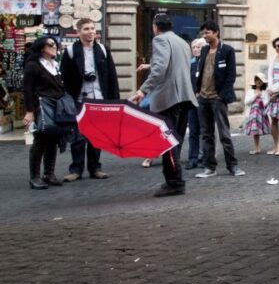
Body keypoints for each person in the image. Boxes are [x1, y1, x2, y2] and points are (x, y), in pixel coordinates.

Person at [131, 14, 197, 197]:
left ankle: (175, 183)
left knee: (167, 143)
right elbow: (172, 65)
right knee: (175, 141)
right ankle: (176, 181)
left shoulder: (160, 39)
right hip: (184, 97)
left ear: (155, 27)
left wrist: (143, 90)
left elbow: (161, 68)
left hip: (169, 98)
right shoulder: (182, 42)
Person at [60, 18, 119, 182]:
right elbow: (64, 76)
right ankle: (76, 169)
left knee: (97, 136)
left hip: (99, 99)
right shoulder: (71, 51)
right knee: (78, 137)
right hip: (79, 99)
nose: (91, 32)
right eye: (86, 29)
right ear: (78, 32)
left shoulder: (102, 49)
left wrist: (114, 101)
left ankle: (95, 168)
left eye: (93, 28)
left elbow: (112, 76)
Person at [193, 20, 244, 178]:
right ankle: (209, 167)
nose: (204, 36)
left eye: (207, 32)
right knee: (206, 134)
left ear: (216, 32)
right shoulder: (204, 51)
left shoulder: (227, 50)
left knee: (224, 134)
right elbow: (200, 72)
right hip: (203, 98)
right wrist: (197, 91)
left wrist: (221, 95)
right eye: (203, 33)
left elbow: (231, 75)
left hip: (217, 98)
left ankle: (233, 166)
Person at [23, 37, 65, 189]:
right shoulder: (33, 65)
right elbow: (27, 90)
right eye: (51, 44)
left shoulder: (54, 64)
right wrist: (29, 111)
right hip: (41, 106)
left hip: (55, 106)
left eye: (55, 44)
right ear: (42, 48)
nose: (55, 46)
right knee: (40, 141)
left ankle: (49, 173)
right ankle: (34, 177)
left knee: (52, 140)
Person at [185, 38, 207, 170]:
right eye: (194, 47)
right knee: (193, 131)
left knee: (205, 132)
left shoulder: (207, 63)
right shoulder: (190, 65)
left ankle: (205, 157)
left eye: (199, 47)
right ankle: (192, 158)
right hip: (192, 101)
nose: (196, 49)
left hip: (204, 101)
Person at [244, 72, 269, 155]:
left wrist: (261, 98)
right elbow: (246, 102)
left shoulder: (265, 92)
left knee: (259, 130)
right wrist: (255, 96)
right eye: (257, 80)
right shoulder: (251, 91)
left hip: (261, 114)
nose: (258, 82)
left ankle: (259, 147)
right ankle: (256, 147)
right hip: (253, 114)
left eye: (260, 80)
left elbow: (266, 103)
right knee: (254, 131)